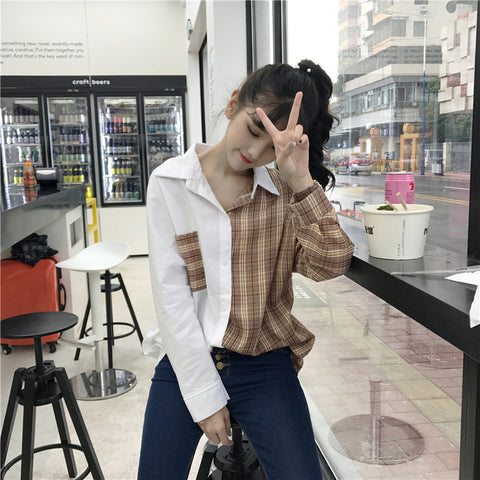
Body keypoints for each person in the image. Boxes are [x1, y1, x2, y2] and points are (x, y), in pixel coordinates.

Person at [138, 59, 354, 480]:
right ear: (233, 103)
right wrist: (204, 396)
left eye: (271, 146)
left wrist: (301, 182)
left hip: (263, 360)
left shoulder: (283, 192)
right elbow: (172, 300)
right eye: (254, 130)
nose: (255, 153)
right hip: (188, 356)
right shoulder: (170, 183)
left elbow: (332, 263)